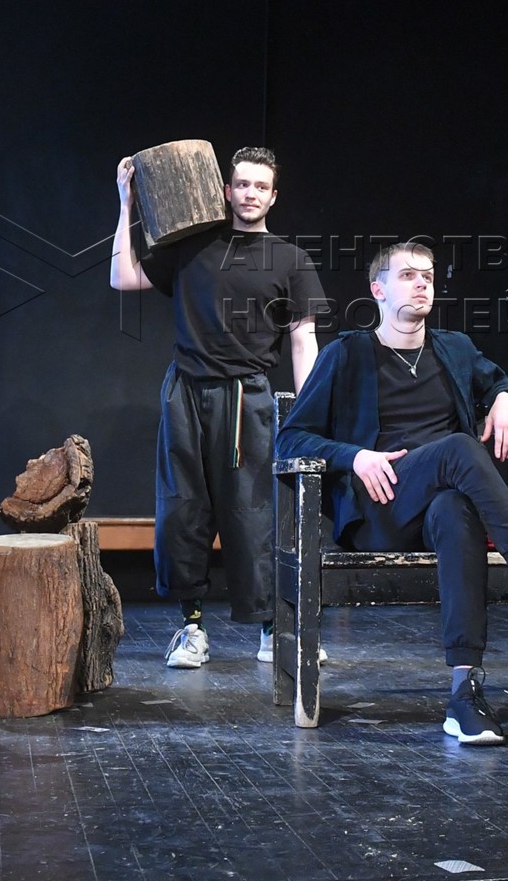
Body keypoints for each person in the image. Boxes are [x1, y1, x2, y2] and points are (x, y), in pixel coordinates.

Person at [277, 242, 508, 746]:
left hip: (436, 513)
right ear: (378, 290)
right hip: (380, 508)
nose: (422, 283)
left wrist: (505, 397)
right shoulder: (346, 354)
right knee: (460, 447)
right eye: (408, 275)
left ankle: (465, 694)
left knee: (457, 510)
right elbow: (290, 438)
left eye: (429, 275)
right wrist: (356, 456)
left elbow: (496, 380)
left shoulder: (454, 349)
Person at [111, 146, 325, 669]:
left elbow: (304, 339)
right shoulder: (192, 246)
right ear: (227, 190)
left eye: (260, 187)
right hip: (185, 391)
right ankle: (191, 629)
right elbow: (123, 278)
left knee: (253, 515)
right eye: (242, 184)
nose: (250, 194)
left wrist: (308, 413)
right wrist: (125, 204)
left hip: (247, 396)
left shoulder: (290, 260)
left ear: (273, 197)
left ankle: (272, 629)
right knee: (182, 511)